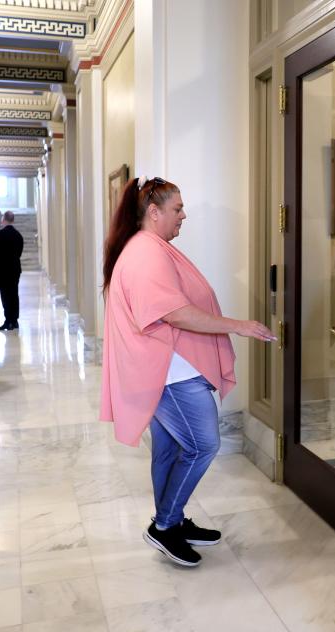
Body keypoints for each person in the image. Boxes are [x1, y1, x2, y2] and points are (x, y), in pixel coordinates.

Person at [100, 176, 276, 567]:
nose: (183, 215)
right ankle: (164, 527)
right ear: (154, 212)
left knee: (170, 449)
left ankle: (173, 520)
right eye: (178, 209)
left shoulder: (146, 248)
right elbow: (172, 312)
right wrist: (238, 324)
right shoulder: (147, 252)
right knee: (203, 444)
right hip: (170, 373)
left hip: (166, 369)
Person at [0, 210, 23, 330]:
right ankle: (15, 321)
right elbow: (19, 253)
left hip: (3, 270)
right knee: (14, 294)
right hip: (15, 269)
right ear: (13, 220)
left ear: (3, 220)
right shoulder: (18, 235)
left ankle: (8, 320)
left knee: (5, 295)